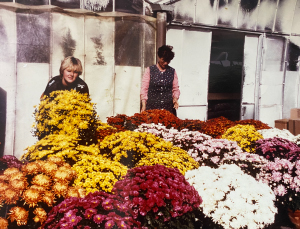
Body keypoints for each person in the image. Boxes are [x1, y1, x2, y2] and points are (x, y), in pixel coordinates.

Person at [140, 45, 180, 116]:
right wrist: (143, 104)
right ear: (159, 57)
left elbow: (175, 89)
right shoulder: (150, 70)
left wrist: (175, 99)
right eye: (164, 60)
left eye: (168, 61)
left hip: (168, 109)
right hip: (152, 108)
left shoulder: (172, 71)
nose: (166, 63)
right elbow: (144, 89)